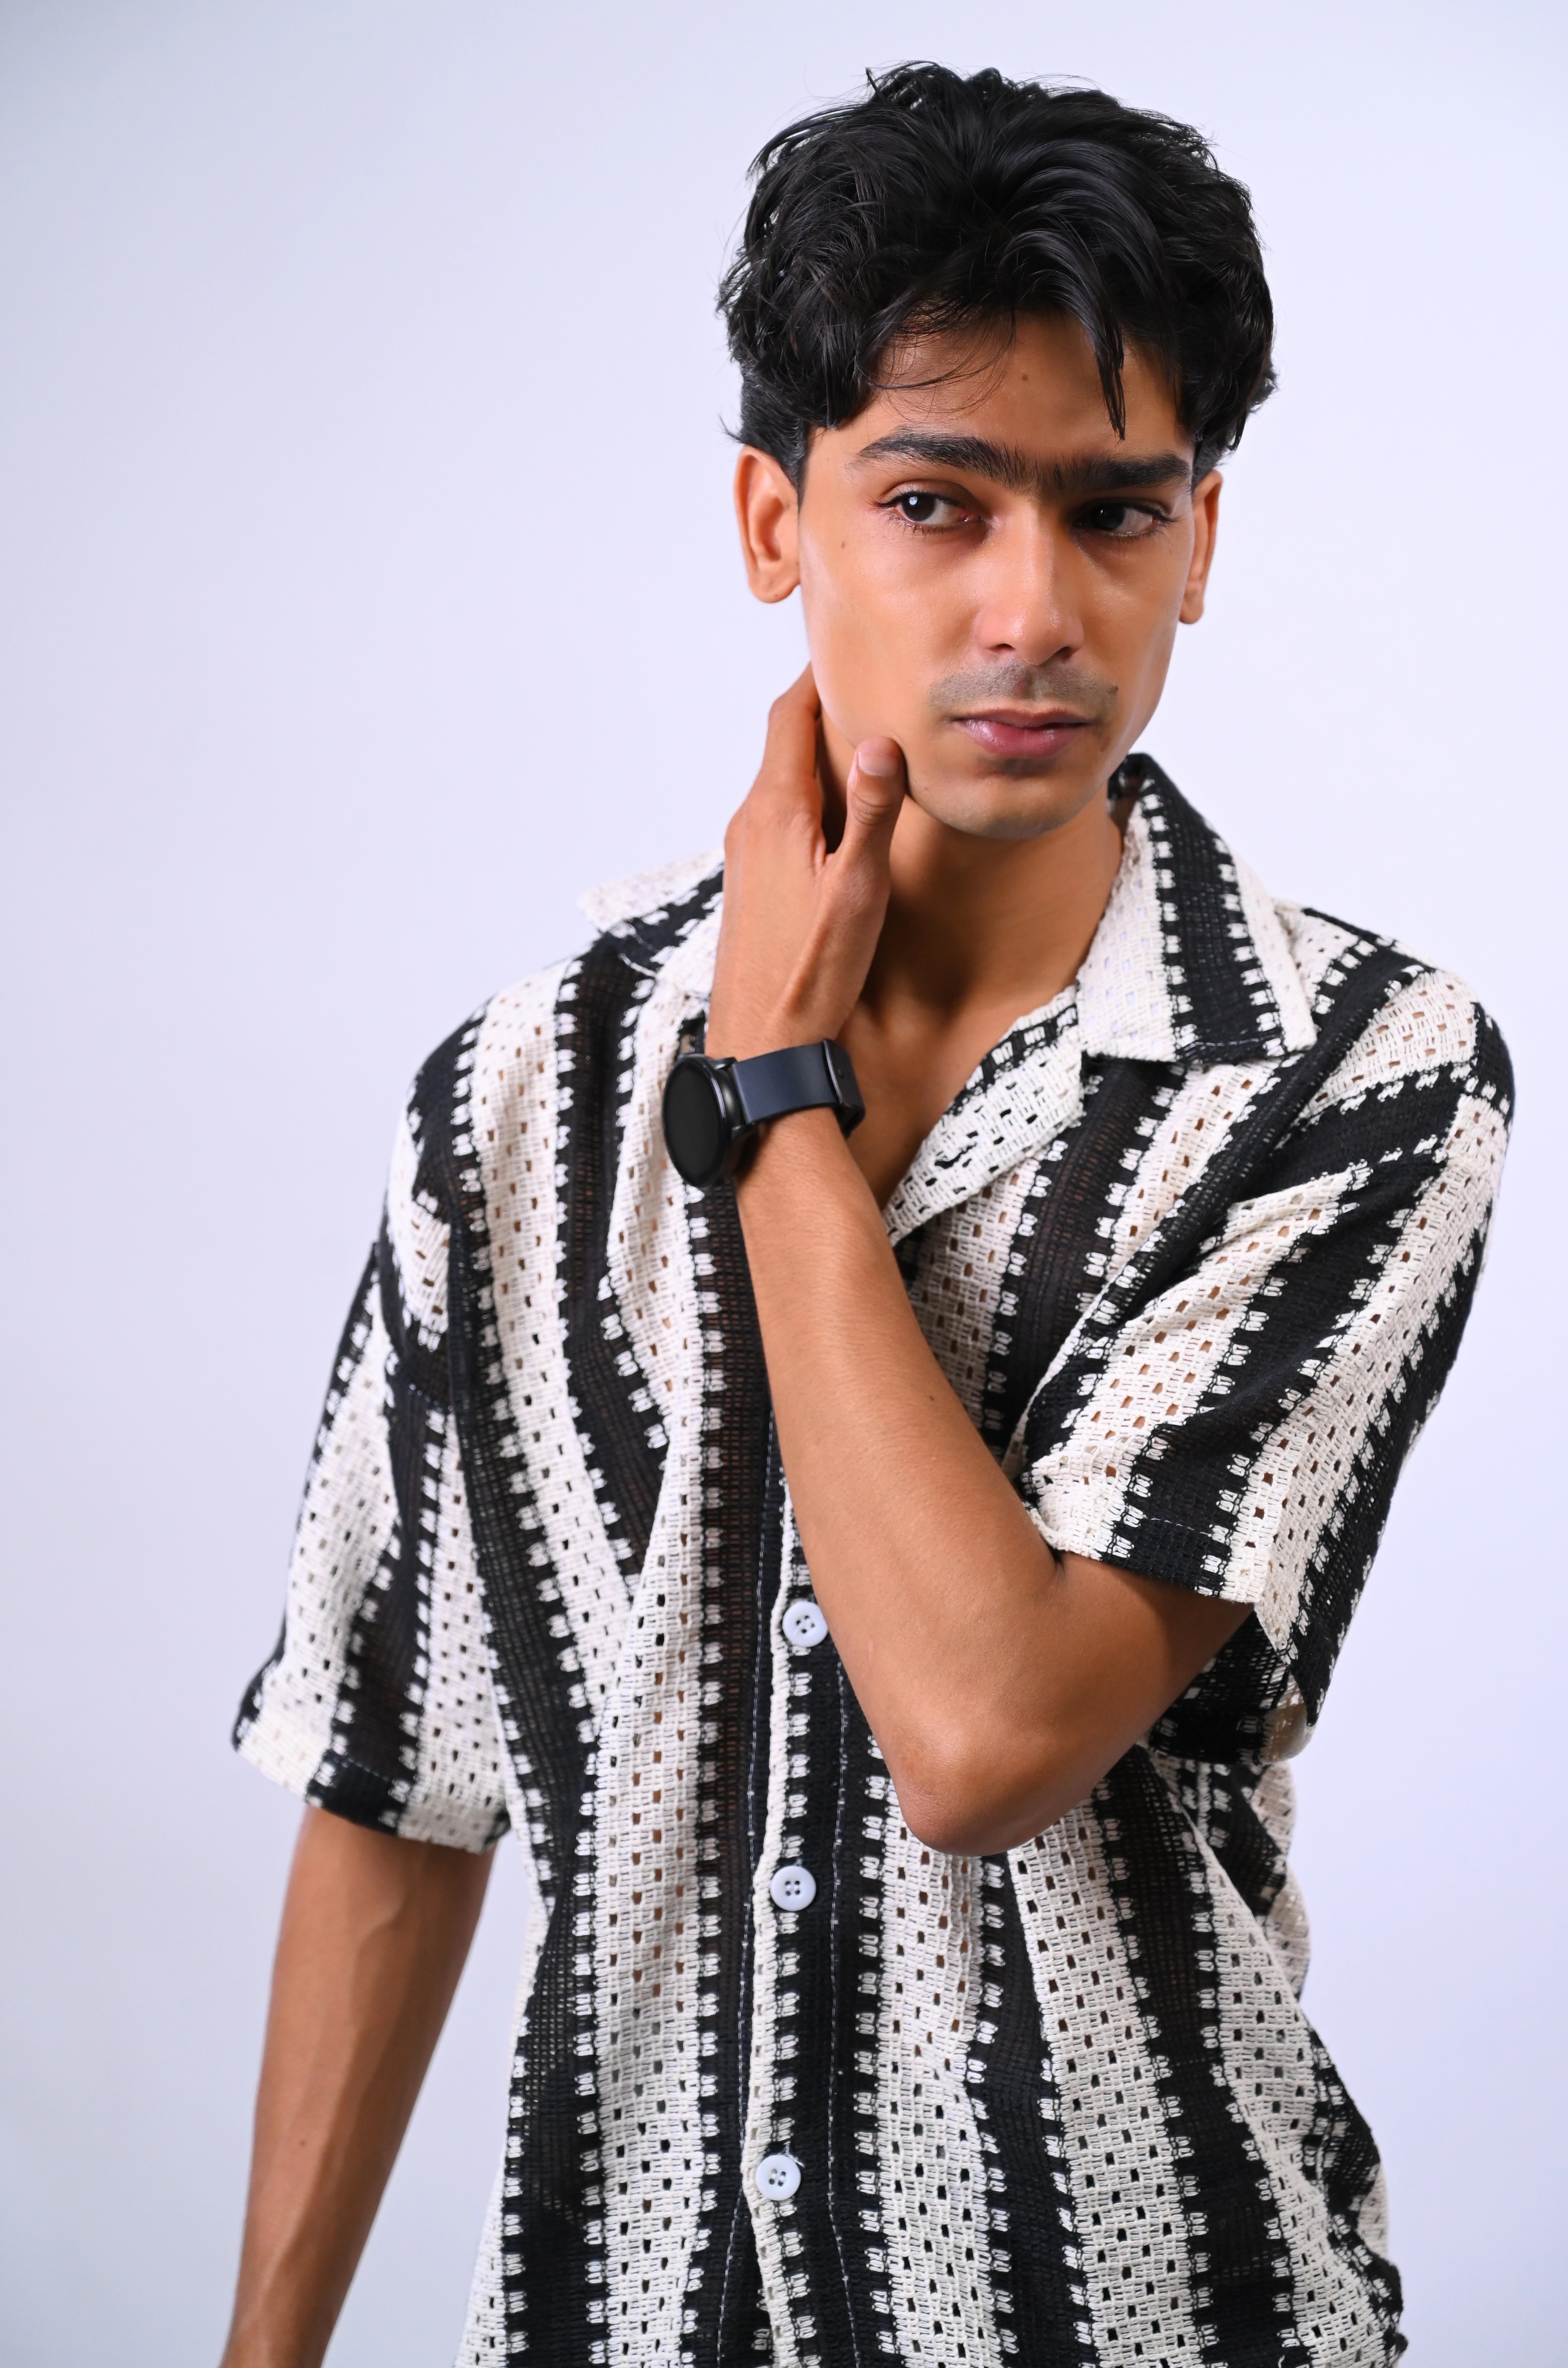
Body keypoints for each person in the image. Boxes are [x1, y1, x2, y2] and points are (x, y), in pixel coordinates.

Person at [222, 65, 1510, 2368]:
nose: (1036, 609)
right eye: (933, 502)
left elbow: (988, 1735)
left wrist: (778, 1106)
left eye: (1114, 514)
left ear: (1202, 539)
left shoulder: (1351, 1077)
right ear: (772, 518)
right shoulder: (520, 1092)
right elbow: (395, 1782)